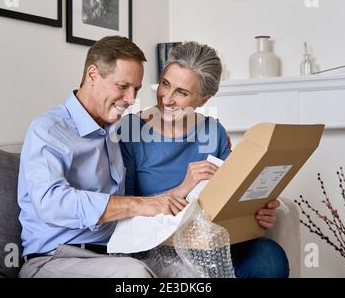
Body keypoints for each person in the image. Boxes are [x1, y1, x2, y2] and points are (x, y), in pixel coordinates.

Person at [17, 36, 191, 278]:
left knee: (188, 273)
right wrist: (140, 205)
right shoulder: (48, 130)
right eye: (122, 86)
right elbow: (51, 202)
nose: (131, 99)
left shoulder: (112, 132)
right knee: (132, 276)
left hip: (114, 254)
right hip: (53, 260)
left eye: (136, 89)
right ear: (92, 75)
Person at [118, 41, 290, 278]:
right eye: (165, 84)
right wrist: (182, 189)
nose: (166, 99)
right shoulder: (129, 132)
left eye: (182, 92)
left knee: (269, 258)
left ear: (203, 100)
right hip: (155, 245)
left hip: (208, 244)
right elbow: (121, 208)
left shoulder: (213, 132)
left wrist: (256, 209)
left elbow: (231, 196)